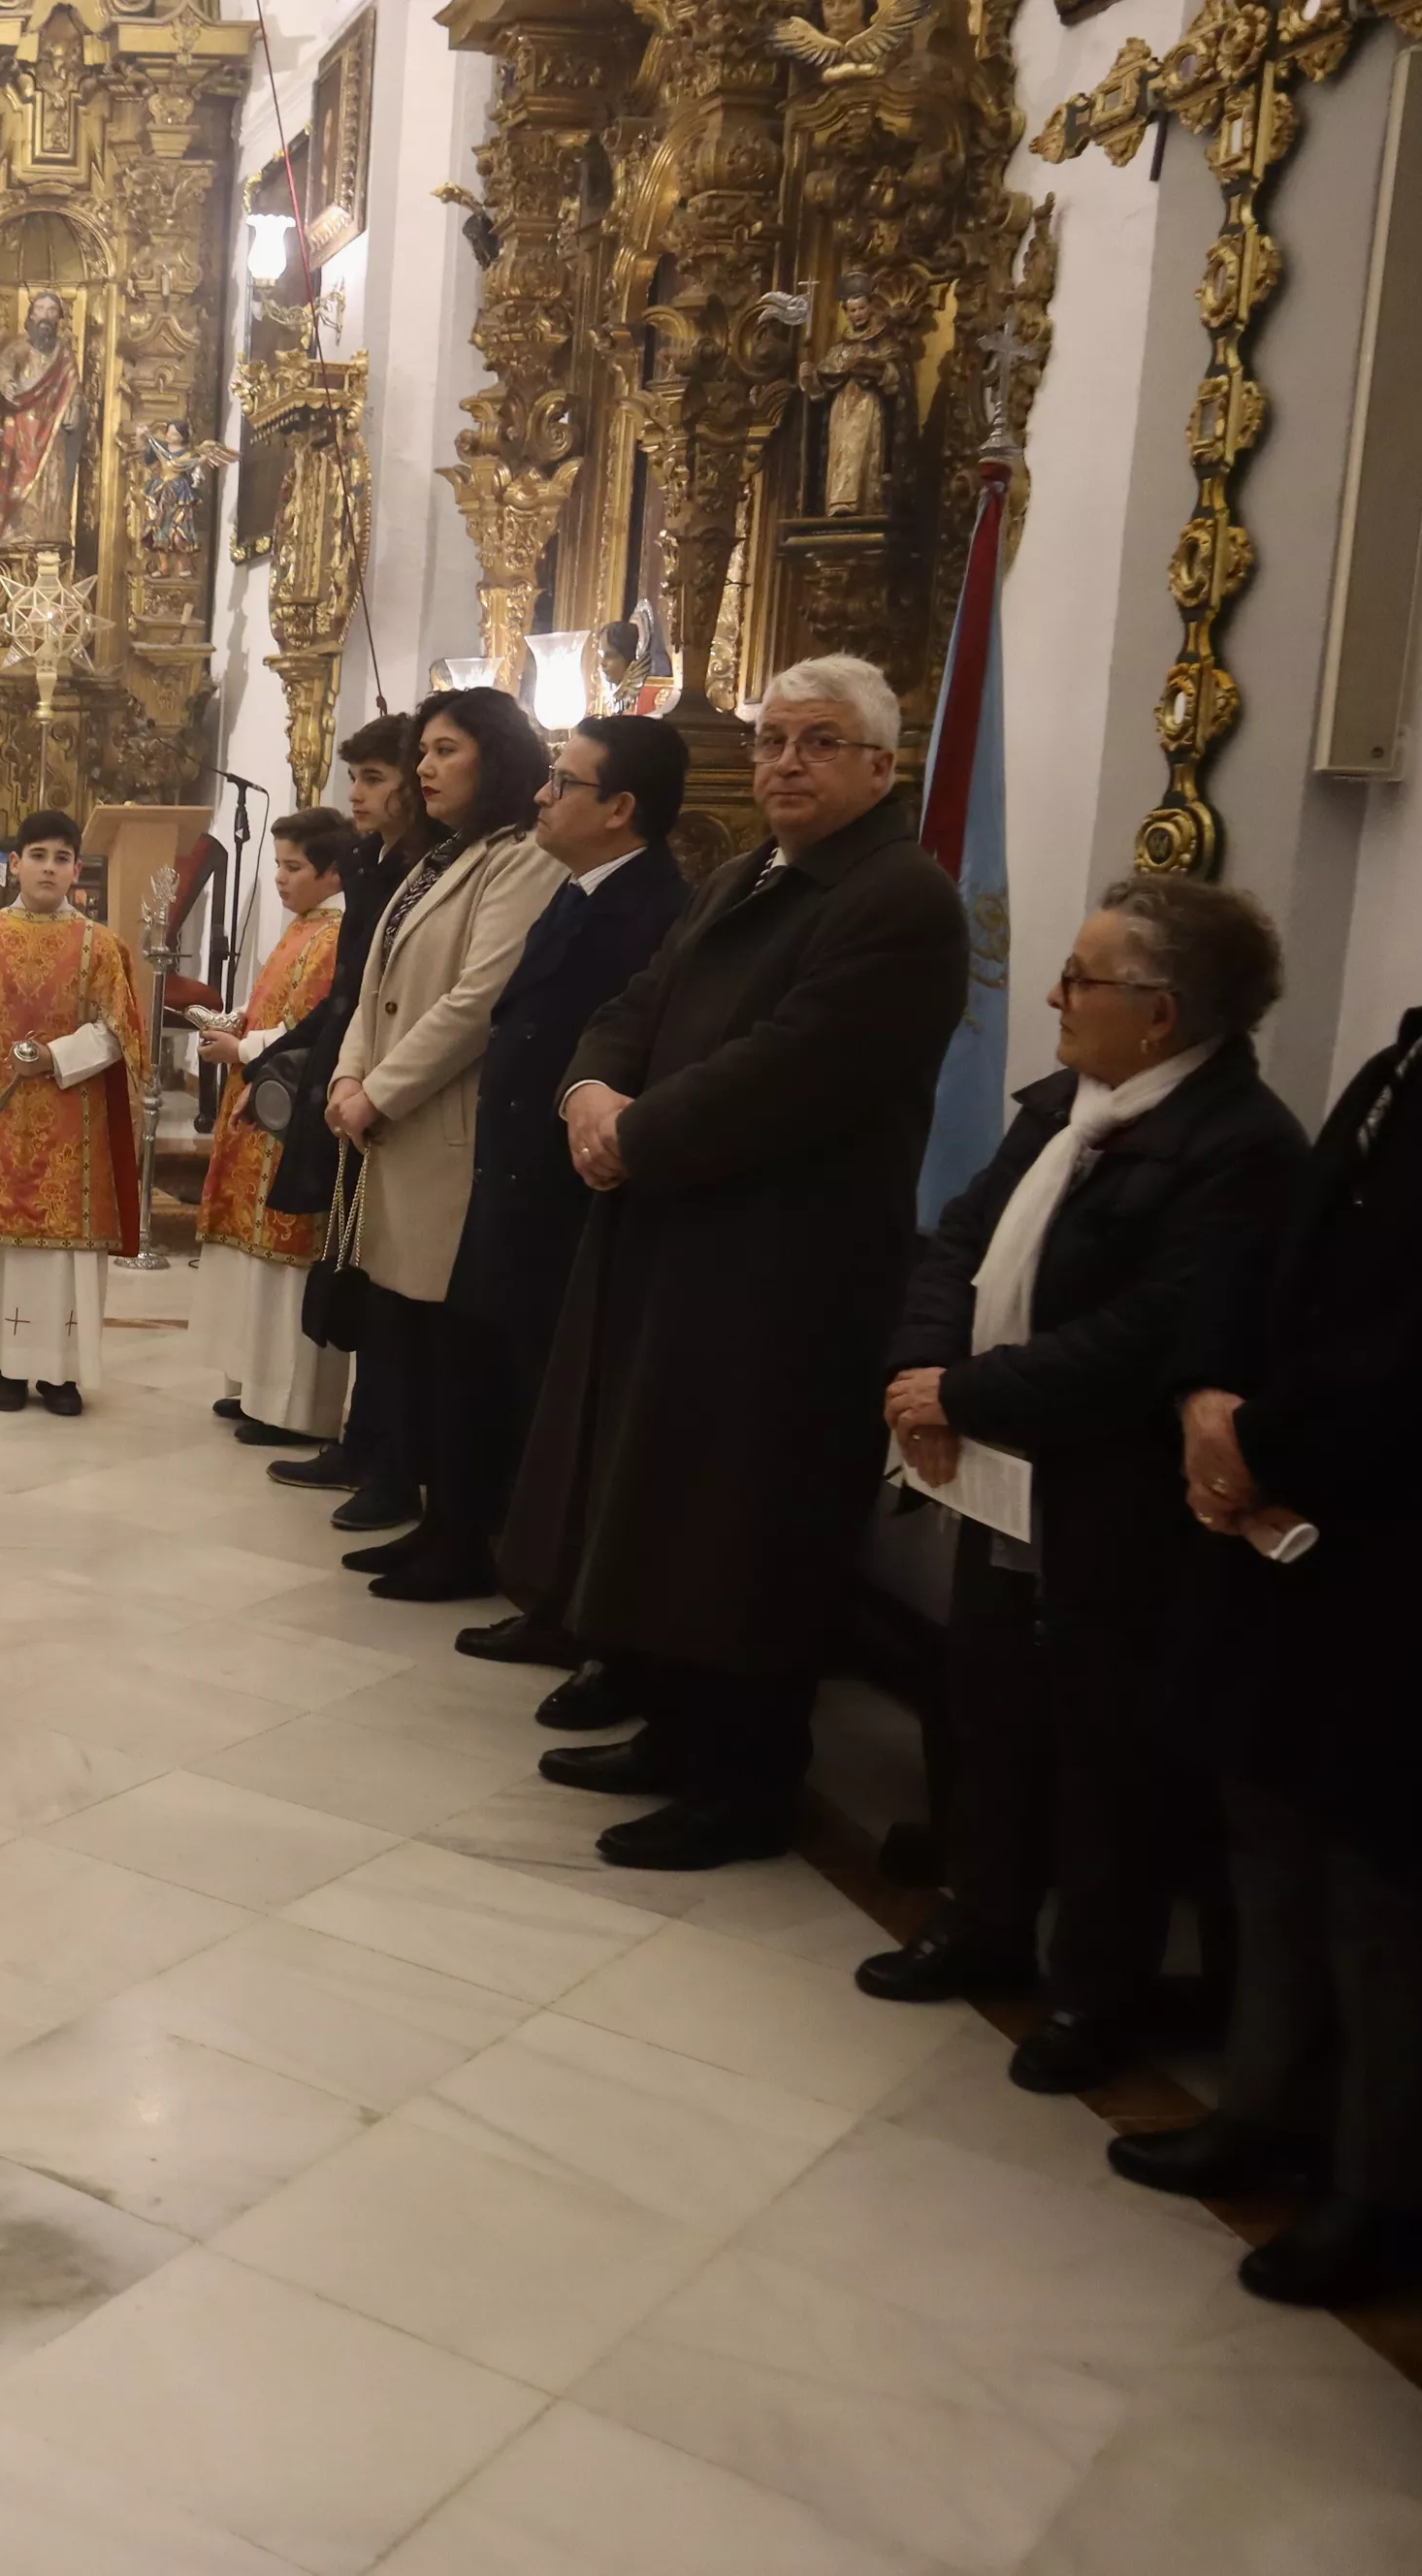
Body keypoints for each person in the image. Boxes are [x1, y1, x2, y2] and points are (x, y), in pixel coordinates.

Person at [1109, 802, 1422, 2306]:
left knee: (1391, 1873)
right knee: (1268, 1816)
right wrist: (1219, 1401)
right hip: (1291, 1499)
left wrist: (1277, 1434)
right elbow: (1292, 1256)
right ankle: (1263, 2106)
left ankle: (1391, 2188)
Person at [500, 654, 970, 1871]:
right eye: (770, 741)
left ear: (882, 764)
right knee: (662, 1498)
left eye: (817, 743)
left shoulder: (898, 900)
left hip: (783, 1268)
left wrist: (632, 1133)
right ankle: (676, 1728)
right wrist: (593, 1092)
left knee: (743, 1519)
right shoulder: (747, 874)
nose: (783, 764)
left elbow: (795, 1066)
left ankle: (746, 1780)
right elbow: (637, 1003)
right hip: (679, 1231)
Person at [863, 877, 1301, 2100]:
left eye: (1082, 977)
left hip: (1114, 1497)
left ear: (1159, 1015)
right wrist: (924, 1369)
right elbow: (957, 1238)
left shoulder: (1240, 1146)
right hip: (996, 1463)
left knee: (1108, 1752)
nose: (1053, 994)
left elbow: (1157, 1331)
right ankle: (981, 1919)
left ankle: (1093, 1993)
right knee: (989, 1705)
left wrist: (965, 1396)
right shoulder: (1065, 1101)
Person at [448, 715, 691, 1692]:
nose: (543, 797)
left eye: (565, 782)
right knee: (527, 1393)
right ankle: (540, 1587)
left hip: (566, 1194)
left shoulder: (648, 912)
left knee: (567, 1407)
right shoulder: (580, 893)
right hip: (523, 1179)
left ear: (620, 808)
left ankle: (573, 1610)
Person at [326, 688, 563, 1602]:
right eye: (420, 752)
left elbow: (476, 1001)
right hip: (395, 1126)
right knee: (408, 1338)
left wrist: (377, 1092)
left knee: (452, 1347)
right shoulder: (438, 858)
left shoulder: (521, 862)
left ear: (496, 757)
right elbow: (376, 984)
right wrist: (351, 1078)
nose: (424, 768)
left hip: (447, 1130)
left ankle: (464, 1532)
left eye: (445, 750)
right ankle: (431, 1517)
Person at [0, 810, 151, 1416]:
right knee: (0, 1251)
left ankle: (61, 1373)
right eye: (37, 855)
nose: (49, 867)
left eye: (62, 857)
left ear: (76, 869)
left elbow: (117, 1032)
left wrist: (56, 1055)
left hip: (74, 1124)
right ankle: (6, 1369)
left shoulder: (100, 947)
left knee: (65, 1254)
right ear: (14, 863)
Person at [264, 712, 431, 1527]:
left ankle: (391, 1456)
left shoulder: (433, 864)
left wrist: (365, 1078)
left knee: (388, 1276)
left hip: (397, 1092)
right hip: (350, 1070)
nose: (355, 795)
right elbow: (358, 988)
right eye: (353, 777)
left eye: (372, 778)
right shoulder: (372, 860)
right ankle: (363, 1442)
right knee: (354, 1259)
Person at [191, 811, 352, 1444]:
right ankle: (259, 1389)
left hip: (292, 1111)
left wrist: (243, 1049)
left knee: (288, 1260)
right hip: (262, 1104)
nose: (281, 879)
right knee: (255, 1257)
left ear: (332, 871)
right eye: (277, 865)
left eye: (293, 867)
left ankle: (296, 1408)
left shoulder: (337, 935)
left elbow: (317, 1029)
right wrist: (240, 1026)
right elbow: (280, 1012)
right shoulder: (303, 928)